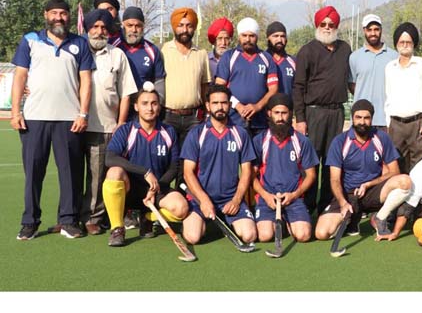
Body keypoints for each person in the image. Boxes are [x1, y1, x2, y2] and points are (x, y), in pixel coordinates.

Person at [12, 0, 93, 240]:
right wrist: (16, 111)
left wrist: (83, 113)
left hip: (70, 119)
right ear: (46, 14)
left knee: (70, 174)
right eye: (54, 13)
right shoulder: (30, 40)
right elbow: (19, 77)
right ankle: (30, 222)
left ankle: (68, 220)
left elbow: (86, 80)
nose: (59, 17)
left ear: (69, 16)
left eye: (63, 13)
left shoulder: (80, 43)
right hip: (34, 118)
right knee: (34, 173)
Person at [102, 83, 189, 246]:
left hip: (156, 189)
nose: (149, 108)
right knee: (114, 172)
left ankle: (147, 217)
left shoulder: (168, 132)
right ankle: (117, 228)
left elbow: (174, 166)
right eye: (145, 103)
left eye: (154, 103)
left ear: (159, 106)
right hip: (130, 189)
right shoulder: (126, 130)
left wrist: (157, 188)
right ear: (136, 107)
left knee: (181, 208)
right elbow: (110, 158)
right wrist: (145, 172)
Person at [316, 100, 412, 241]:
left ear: (371, 119)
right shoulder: (340, 141)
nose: (362, 122)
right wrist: (343, 203)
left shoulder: (381, 138)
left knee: (405, 181)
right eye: (358, 117)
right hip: (348, 194)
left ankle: (379, 217)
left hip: (372, 192)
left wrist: (368, 184)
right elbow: (334, 179)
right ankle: (351, 219)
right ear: (353, 118)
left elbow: (395, 171)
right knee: (322, 233)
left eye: (366, 118)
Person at [80, 9, 138, 235]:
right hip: (76, 125)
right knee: (74, 175)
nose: (99, 31)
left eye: (103, 27)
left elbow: (126, 93)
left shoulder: (117, 55)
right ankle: (71, 215)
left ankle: (94, 218)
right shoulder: (79, 51)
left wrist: (121, 123)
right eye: (95, 27)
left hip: (105, 126)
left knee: (98, 176)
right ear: (88, 29)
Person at [180, 84, 257, 245]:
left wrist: (236, 200)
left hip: (229, 198)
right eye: (215, 103)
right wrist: (204, 200)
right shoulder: (197, 133)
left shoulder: (240, 133)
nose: (220, 107)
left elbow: (247, 171)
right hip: (200, 199)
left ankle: (222, 217)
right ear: (207, 106)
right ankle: (205, 220)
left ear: (229, 104)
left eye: (224, 103)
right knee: (192, 237)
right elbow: (187, 172)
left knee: (249, 235)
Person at [292, 5, 352, 214]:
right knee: (311, 161)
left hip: (336, 113)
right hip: (313, 113)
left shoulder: (345, 49)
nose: (327, 27)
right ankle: (306, 205)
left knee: (333, 160)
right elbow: (298, 87)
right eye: (323, 24)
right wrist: (300, 119)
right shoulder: (307, 50)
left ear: (336, 26)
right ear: (317, 25)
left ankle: (326, 202)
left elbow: (351, 80)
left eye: (331, 24)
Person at [252, 94, 317, 243]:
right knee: (264, 236)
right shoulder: (259, 141)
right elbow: (251, 176)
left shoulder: (302, 141)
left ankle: (287, 220)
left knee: (304, 235)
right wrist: (266, 195)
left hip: (293, 198)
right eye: (276, 113)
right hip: (267, 199)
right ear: (269, 114)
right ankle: (278, 219)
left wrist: (295, 195)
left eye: (284, 113)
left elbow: (311, 175)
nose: (280, 117)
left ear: (290, 114)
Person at [162, 7, 211, 188]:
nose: (185, 29)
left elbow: (205, 86)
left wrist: (206, 113)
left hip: (193, 118)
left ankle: (187, 201)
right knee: (167, 160)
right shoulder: (164, 51)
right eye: (181, 25)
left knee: (189, 161)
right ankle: (164, 201)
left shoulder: (201, 54)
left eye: (189, 26)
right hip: (168, 115)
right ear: (174, 27)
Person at [214, 17, 279, 135]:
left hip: (260, 122)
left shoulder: (266, 58)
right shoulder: (229, 57)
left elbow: (273, 89)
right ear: (239, 36)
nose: (248, 39)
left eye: (251, 36)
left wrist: (257, 106)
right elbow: (219, 87)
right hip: (233, 120)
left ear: (257, 37)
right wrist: (238, 106)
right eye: (244, 35)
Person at [385, 22, 422, 173]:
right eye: (402, 42)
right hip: (396, 124)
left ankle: (418, 197)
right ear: (396, 44)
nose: (405, 45)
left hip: (417, 124)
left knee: (419, 166)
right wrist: (389, 123)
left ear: (414, 44)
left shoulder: (421, 64)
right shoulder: (390, 67)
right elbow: (388, 97)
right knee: (396, 166)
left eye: (408, 42)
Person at [348, 14, 397, 130]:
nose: (373, 33)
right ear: (364, 31)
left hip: (386, 119)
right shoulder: (354, 57)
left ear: (381, 30)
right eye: (369, 30)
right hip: (361, 119)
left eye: (376, 29)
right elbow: (352, 85)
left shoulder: (394, 56)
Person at [115, 6, 166, 96]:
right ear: (123, 26)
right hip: (118, 106)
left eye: (138, 26)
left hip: (143, 107)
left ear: (143, 27)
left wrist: (158, 102)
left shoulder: (152, 50)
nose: (134, 30)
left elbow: (159, 81)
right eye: (130, 25)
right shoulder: (113, 47)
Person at [265, 21, 296, 96]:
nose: (279, 40)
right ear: (268, 38)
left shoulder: (294, 62)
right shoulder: (261, 60)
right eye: (275, 36)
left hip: (289, 106)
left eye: (282, 36)